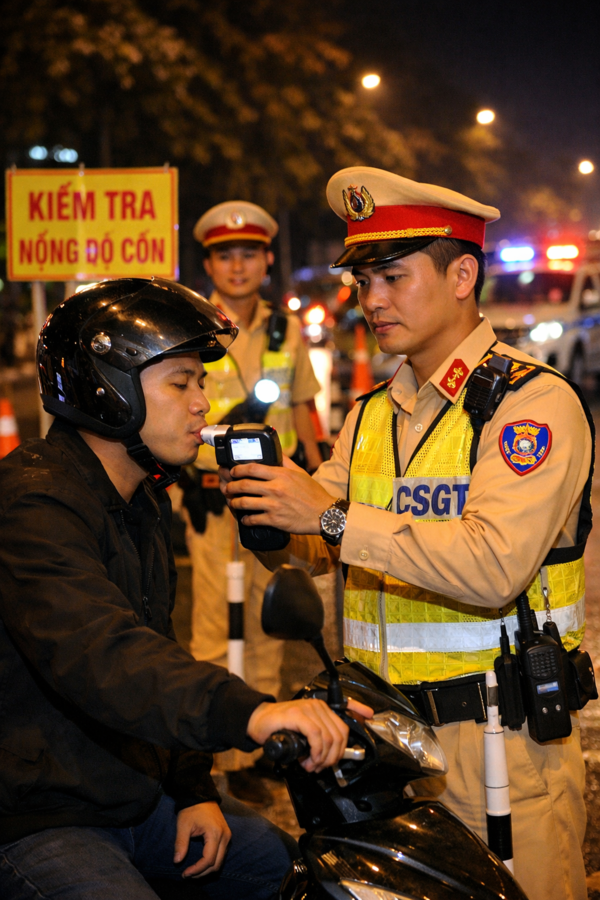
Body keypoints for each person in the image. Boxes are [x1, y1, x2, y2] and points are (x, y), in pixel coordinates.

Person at [220, 168, 594, 900]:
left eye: (391, 275)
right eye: (363, 282)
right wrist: (268, 506)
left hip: (499, 746)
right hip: (384, 751)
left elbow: (493, 565)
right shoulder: (370, 416)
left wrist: (327, 516)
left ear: (462, 274)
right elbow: (320, 537)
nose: (372, 300)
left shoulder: (530, 406)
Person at [0, 277, 370, 900]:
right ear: (108, 390)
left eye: (201, 382)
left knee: (299, 878)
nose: (203, 403)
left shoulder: (140, 498)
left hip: (135, 796)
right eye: (182, 383)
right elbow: (107, 655)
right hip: (39, 816)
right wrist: (253, 711)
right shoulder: (32, 502)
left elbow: (159, 643)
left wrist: (193, 788)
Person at [179, 201, 322, 803]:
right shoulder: (188, 325)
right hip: (212, 499)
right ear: (209, 263)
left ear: (266, 260)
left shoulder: (285, 330)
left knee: (267, 626)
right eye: (223, 255)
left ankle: (258, 744)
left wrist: (319, 479)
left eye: (248, 254)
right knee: (214, 624)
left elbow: (303, 411)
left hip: (273, 501)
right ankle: (215, 756)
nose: (236, 266)